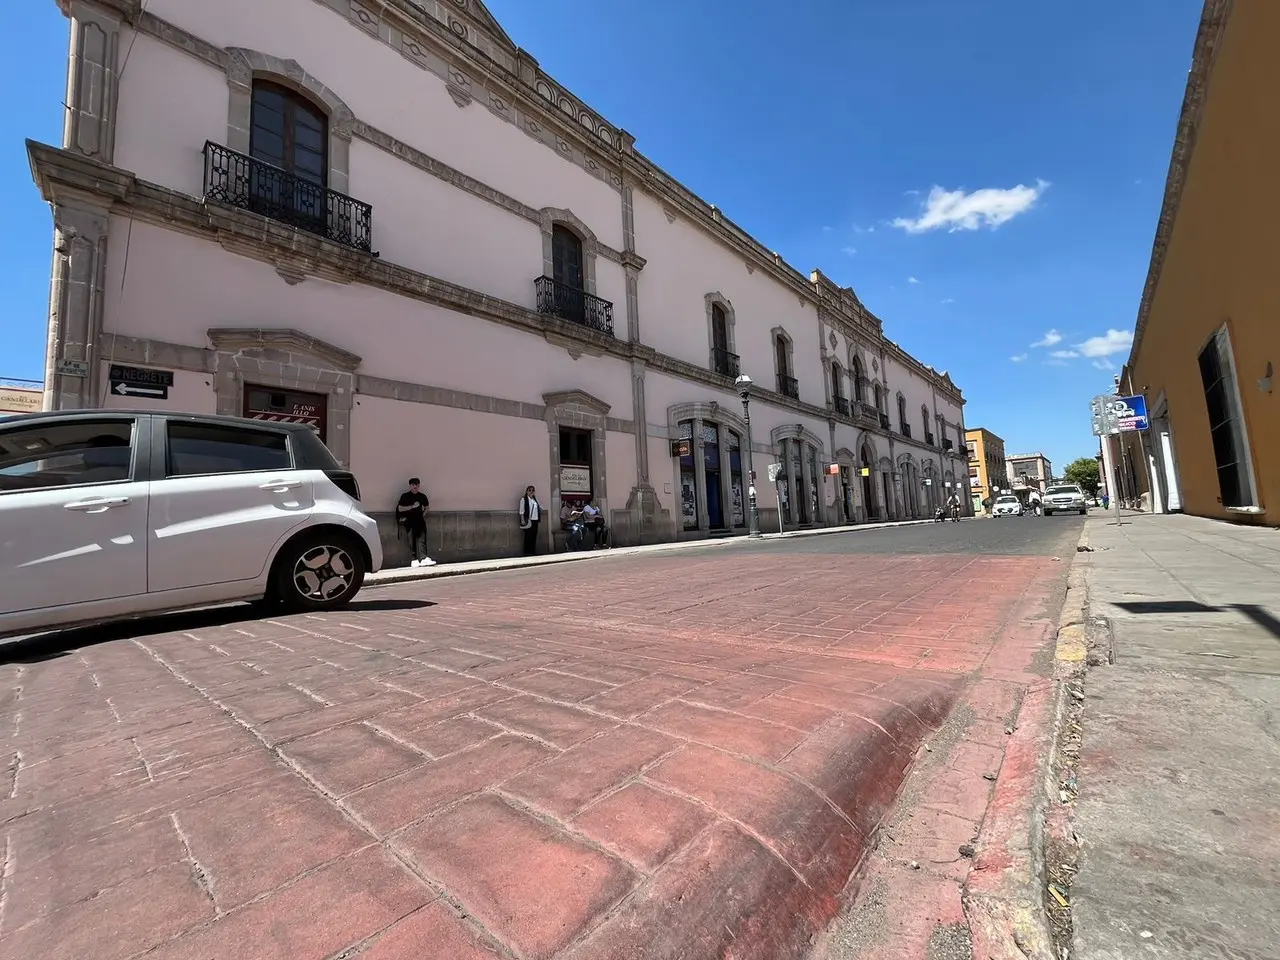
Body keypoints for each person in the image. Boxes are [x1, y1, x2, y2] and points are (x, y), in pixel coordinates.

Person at [397, 478, 435, 568]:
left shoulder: (422, 496)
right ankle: (413, 560)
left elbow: (427, 507)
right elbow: (400, 508)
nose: (415, 486)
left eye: (417, 484)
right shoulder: (405, 496)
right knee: (411, 540)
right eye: (413, 485)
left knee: (422, 538)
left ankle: (424, 558)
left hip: (420, 520)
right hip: (409, 521)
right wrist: (412, 506)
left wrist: (423, 515)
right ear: (410, 486)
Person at [518, 486, 542, 555]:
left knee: (534, 536)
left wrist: (540, 508)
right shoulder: (524, 499)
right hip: (528, 520)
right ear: (527, 491)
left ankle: (532, 552)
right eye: (529, 490)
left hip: (535, 520)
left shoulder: (535, 500)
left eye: (533, 490)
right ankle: (527, 552)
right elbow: (521, 510)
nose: (531, 491)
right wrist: (522, 520)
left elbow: (538, 506)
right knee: (528, 536)